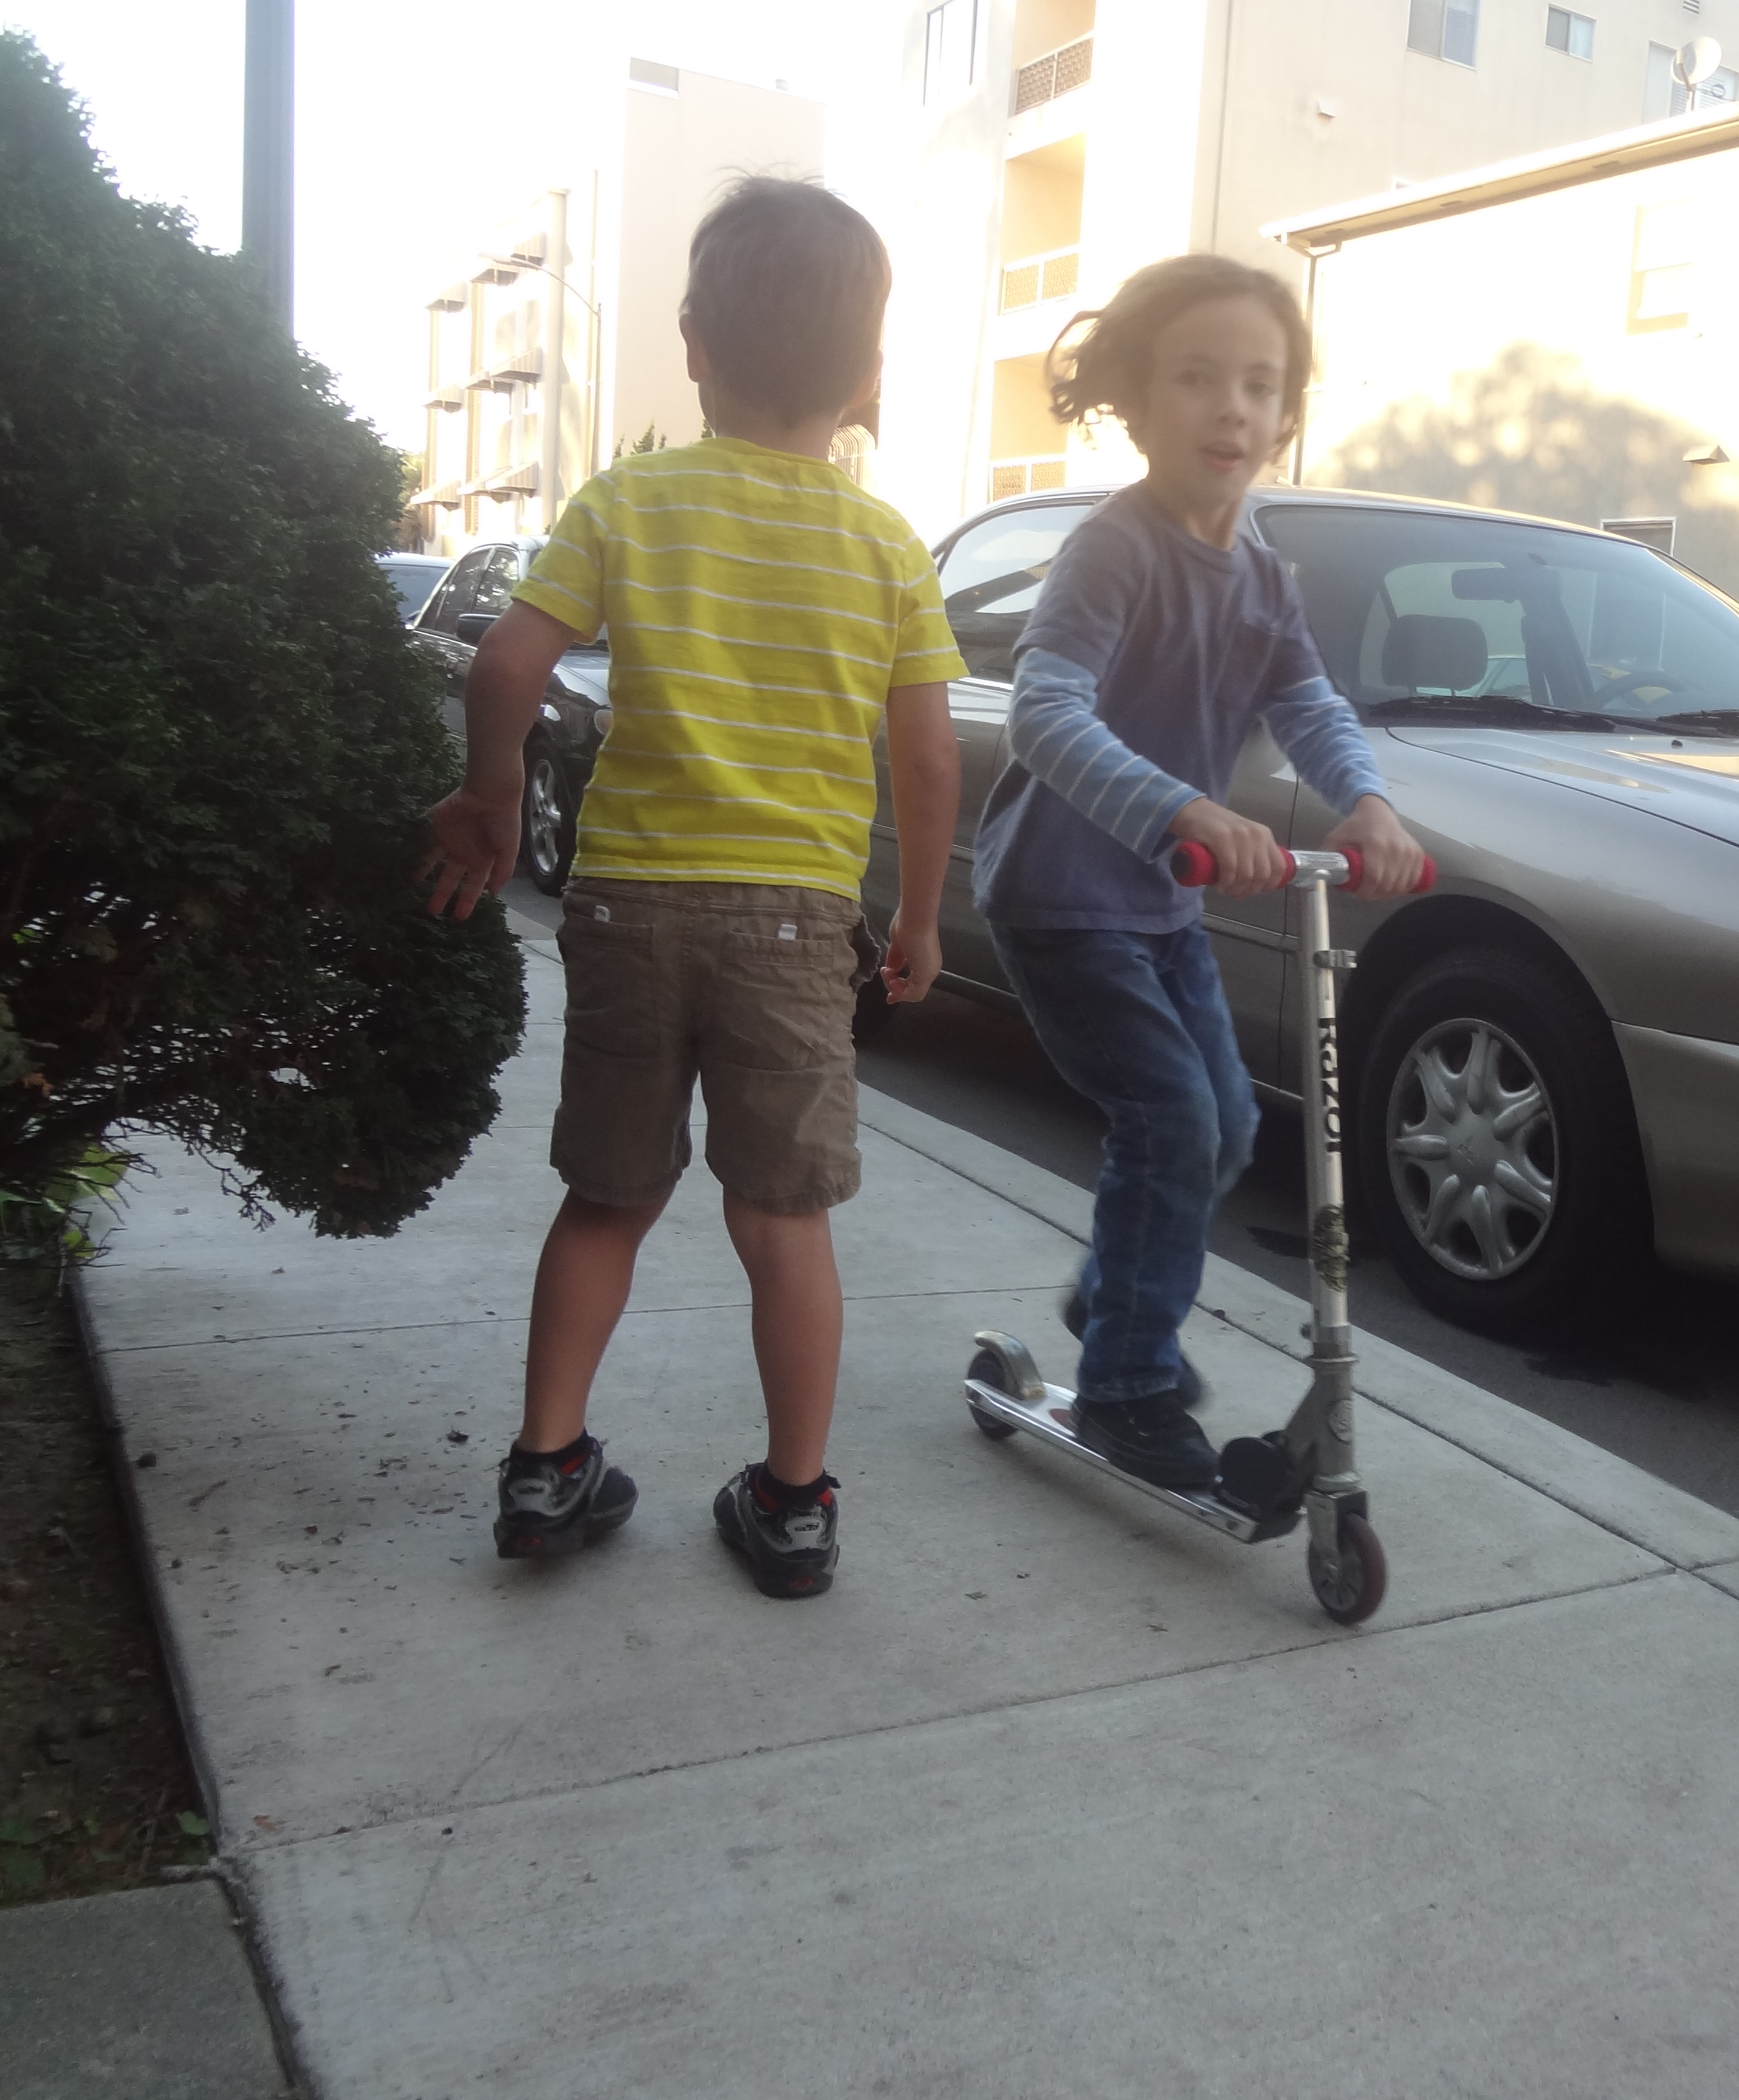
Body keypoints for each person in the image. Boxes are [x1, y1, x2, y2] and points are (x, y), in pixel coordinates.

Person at [422, 177, 964, 1599]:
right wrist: (916, 918)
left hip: (628, 909)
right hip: (793, 923)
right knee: (782, 1219)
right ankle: (791, 1503)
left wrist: (491, 800)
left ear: (695, 346)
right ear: (868, 374)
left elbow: (506, 665)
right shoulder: (887, 547)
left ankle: (547, 1469)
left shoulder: (627, 501)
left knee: (608, 1196)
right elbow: (926, 758)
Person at [973, 253, 1425, 1489]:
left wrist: (1369, 801)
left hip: (1160, 905)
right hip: (1065, 901)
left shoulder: (1264, 575)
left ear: (1285, 414)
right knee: (1172, 1120)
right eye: (1197, 378)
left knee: (1224, 1126)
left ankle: (1113, 1300)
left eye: (1260, 385)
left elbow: (1309, 703)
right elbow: (1044, 715)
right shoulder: (1113, 552)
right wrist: (1187, 807)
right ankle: (1127, 1384)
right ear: (1133, 397)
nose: (1232, 408)